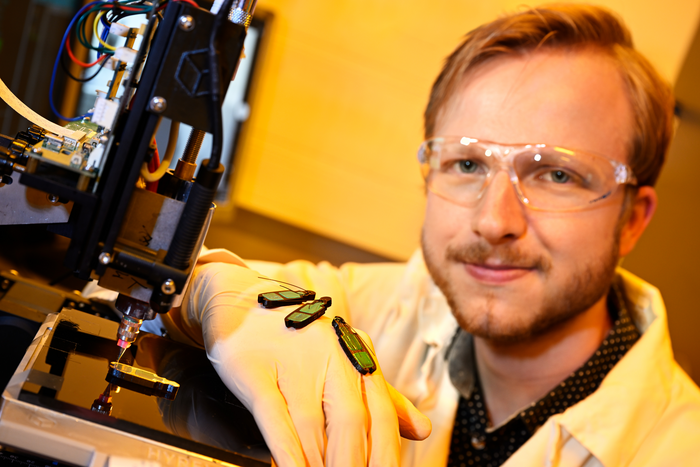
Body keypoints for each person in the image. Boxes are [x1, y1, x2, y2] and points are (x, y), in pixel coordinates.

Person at [164, 3, 700, 466]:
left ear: (632, 219)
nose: (494, 221)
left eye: (557, 174)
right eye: (467, 164)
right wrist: (222, 299)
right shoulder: (369, 307)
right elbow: (174, 280)